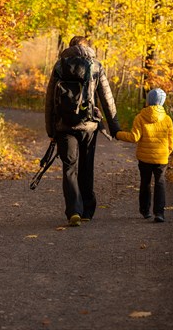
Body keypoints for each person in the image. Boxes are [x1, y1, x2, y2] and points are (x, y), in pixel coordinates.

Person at [45, 36, 121, 226]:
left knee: (69, 168)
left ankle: (73, 211)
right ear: (87, 47)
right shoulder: (95, 65)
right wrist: (115, 127)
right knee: (87, 166)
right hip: (89, 125)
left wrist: (51, 129)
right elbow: (106, 97)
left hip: (64, 126)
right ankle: (87, 210)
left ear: (70, 47)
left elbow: (49, 100)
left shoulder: (60, 66)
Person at [116, 88, 173, 223]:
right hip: (161, 158)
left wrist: (118, 134)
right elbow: (171, 139)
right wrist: (167, 151)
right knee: (160, 183)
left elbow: (134, 137)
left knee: (145, 183)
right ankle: (159, 213)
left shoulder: (140, 117)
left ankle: (145, 211)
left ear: (148, 100)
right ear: (162, 102)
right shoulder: (167, 119)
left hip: (144, 159)